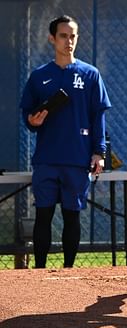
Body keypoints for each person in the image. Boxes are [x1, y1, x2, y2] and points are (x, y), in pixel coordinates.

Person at [20, 15, 111, 268]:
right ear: (52, 38)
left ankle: (69, 273)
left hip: (77, 160)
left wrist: (99, 152)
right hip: (47, 160)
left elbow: (98, 116)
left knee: (72, 217)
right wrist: (32, 121)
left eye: (73, 36)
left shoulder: (91, 75)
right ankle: (39, 272)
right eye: (63, 36)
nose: (69, 41)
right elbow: (27, 114)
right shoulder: (39, 76)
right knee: (43, 216)